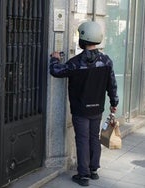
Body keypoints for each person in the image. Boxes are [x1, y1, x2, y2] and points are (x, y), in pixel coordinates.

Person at [49, 21, 119, 186]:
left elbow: (56, 71)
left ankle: (83, 175)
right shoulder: (106, 61)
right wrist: (114, 102)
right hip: (97, 108)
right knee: (94, 137)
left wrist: (54, 59)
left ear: (83, 39)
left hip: (80, 109)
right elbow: (112, 84)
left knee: (82, 139)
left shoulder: (75, 62)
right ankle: (93, 170)